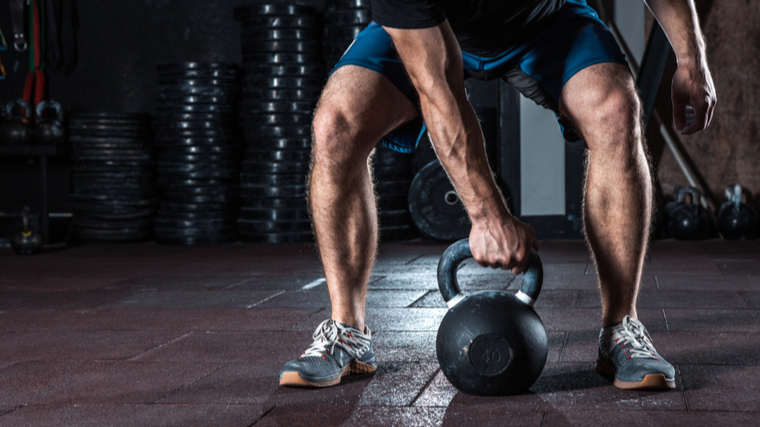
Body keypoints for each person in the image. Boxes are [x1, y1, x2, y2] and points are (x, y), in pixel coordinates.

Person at [278, 0, 716, 390]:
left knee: (617, 109)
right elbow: (437, 88)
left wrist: (691, 58)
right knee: (335, 124)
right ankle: (348, 333)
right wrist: (487, 216)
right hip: (432, 29)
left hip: (543, 16)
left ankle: (621, 327)